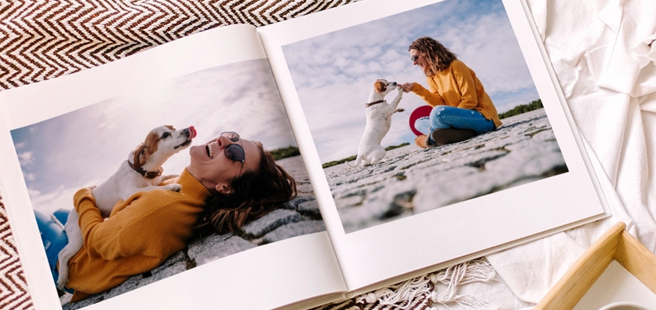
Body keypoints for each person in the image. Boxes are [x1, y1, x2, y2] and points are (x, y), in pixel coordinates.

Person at [35, 131, 296, 302]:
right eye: (232, 137)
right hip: (99, 237)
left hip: (78, 268)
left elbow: (97, 241)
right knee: (61, 214)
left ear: (226, 188)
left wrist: (83, 195)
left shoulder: (161, 208)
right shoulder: (178, 186)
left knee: (37, 218)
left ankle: (49, 276)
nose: (224, 142)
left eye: (234, 153)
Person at [399, 37, 502, 148]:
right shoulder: (431, 78)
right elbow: (439, 103)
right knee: (418, 123)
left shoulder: (456, 66)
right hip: (457, 120)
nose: (414, 63)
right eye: (412, 59)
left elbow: (470, 100)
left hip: (482, 118)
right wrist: (416, 89)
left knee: (437, 112)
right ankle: (459, 134)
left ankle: (429, 140)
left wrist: (453, 119)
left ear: (427, 52)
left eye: (415, 57)